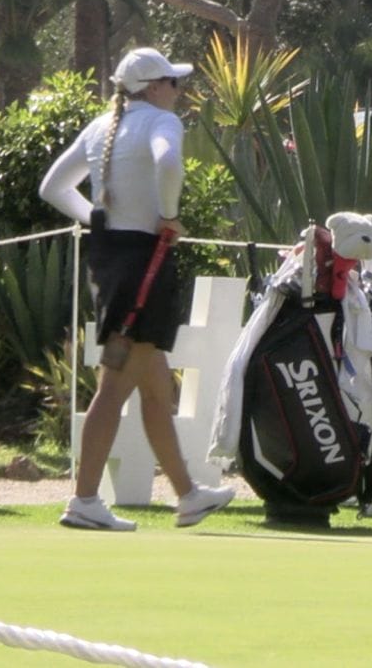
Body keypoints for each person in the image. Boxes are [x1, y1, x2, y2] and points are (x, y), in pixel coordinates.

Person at [39, 46, 235, 532]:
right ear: (153, 87)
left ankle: (188, 496)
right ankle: (84, 500)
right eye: (173, 82)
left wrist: (98, 221)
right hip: (146, 260)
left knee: (154, 388)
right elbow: (168, 165)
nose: (178, 91)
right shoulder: (161, 124)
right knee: (115, 384)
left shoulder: (102, 127)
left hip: (113, 260)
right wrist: (168, 216)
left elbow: (53, 188)